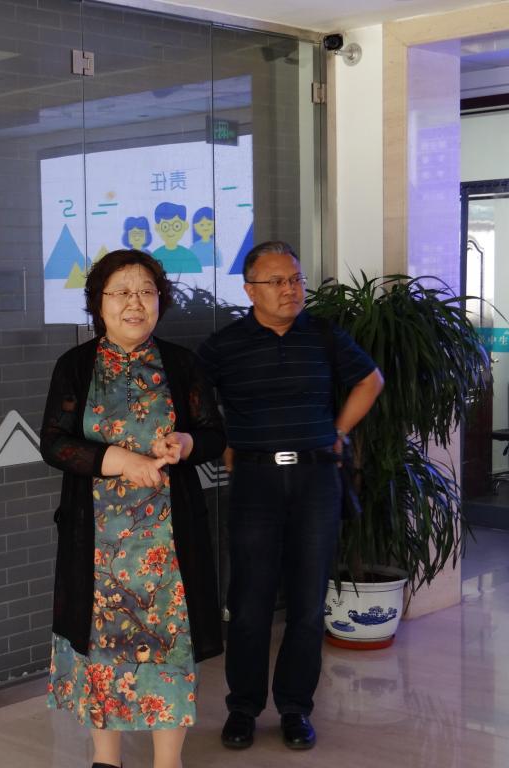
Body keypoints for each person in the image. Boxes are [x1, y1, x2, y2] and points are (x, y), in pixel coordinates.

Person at [41, 248, 225, 768]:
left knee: (170, 651)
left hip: (167, 547)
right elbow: (54, 443)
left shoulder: (183, 364)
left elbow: (214, 435)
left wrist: (186, 444)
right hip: (98, 546)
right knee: (102, 649)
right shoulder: (75, 366)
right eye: (121, 292)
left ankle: (168, 761)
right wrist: (118, 460)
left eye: (146, 291)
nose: (135, 303)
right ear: (98, 303)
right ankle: (107, 759)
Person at [197, 241, 384, 751]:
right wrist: (223, 440)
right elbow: (192, 400)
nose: (291, 289)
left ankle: (296, 709)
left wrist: (339, 431)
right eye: (277, 281)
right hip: (255, 481)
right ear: (250, 290)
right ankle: (243, 708)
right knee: (250, 601)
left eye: (296, 279)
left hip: (316, 479)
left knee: (307, 602)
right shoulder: (225, 345)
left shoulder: (323, 335)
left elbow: (370, 381)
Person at [151, 203, 201, 274]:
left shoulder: (190, 257)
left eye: (176, 226)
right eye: (165, 227)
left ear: (185, 226)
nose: (171, 231)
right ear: (157, 228)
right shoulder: (154, 256)